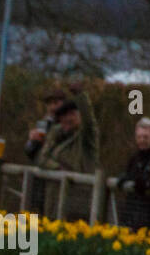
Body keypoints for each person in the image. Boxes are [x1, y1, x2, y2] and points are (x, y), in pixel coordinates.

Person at [36, 82, 99, 217]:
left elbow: (89, 123)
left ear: (78, 116)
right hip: (54, 204)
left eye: (71, 114)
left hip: (78, 207)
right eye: (63, 115)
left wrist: (81, 96)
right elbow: (41, 159)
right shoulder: (56, 136)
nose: (67, 118)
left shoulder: (85, 140)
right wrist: (58, 168)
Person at [24, 87, 66, 210]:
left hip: (58, 180)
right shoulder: (43, 124)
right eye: (49, 104)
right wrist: (32, 142)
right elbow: (30, 152)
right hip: (40, 178)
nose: (52, 107)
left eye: (56, 103)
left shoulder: (67, 126)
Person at [115, 118, 150, 229]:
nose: (142, 140)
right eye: (139, 137)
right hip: (134, 210)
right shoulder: (135, 157)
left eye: (146, 137)